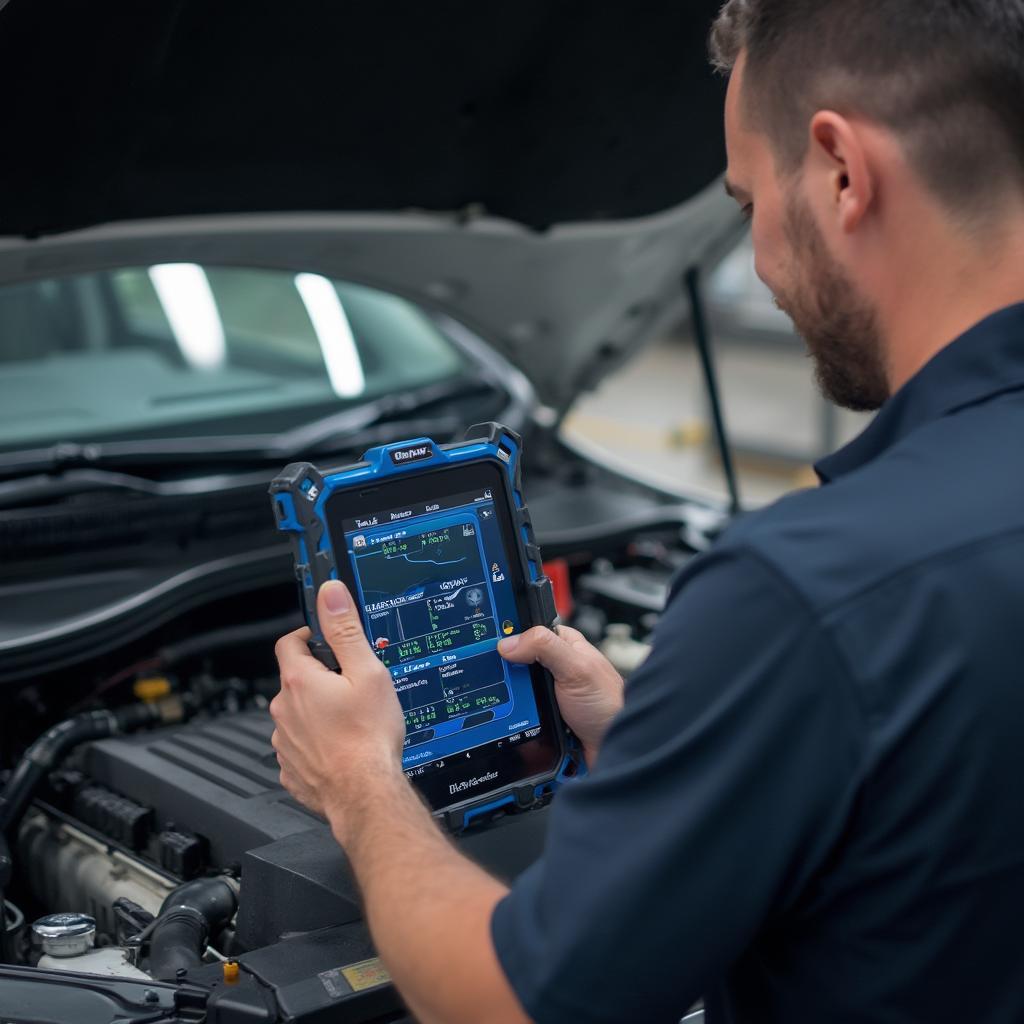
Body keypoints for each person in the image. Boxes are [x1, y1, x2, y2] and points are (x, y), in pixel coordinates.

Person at [268, 1, 1024, 1020]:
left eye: (747, 202)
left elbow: (516, 1005)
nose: (756, 258)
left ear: (843, 172)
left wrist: (358, 778)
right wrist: (678, 746)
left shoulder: (806, 594)